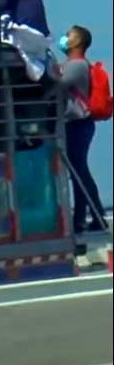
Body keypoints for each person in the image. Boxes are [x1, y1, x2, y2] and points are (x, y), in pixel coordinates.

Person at [58, 25, 106, 233]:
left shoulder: (76, 65)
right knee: (79, 170)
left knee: (79, 172)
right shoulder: (75, 64)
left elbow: (58, 85)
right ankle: (93, 216)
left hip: (77, 124)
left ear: (77, 42)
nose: (64, 39)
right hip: (79, 125)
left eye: (68, 36)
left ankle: (84, 218)